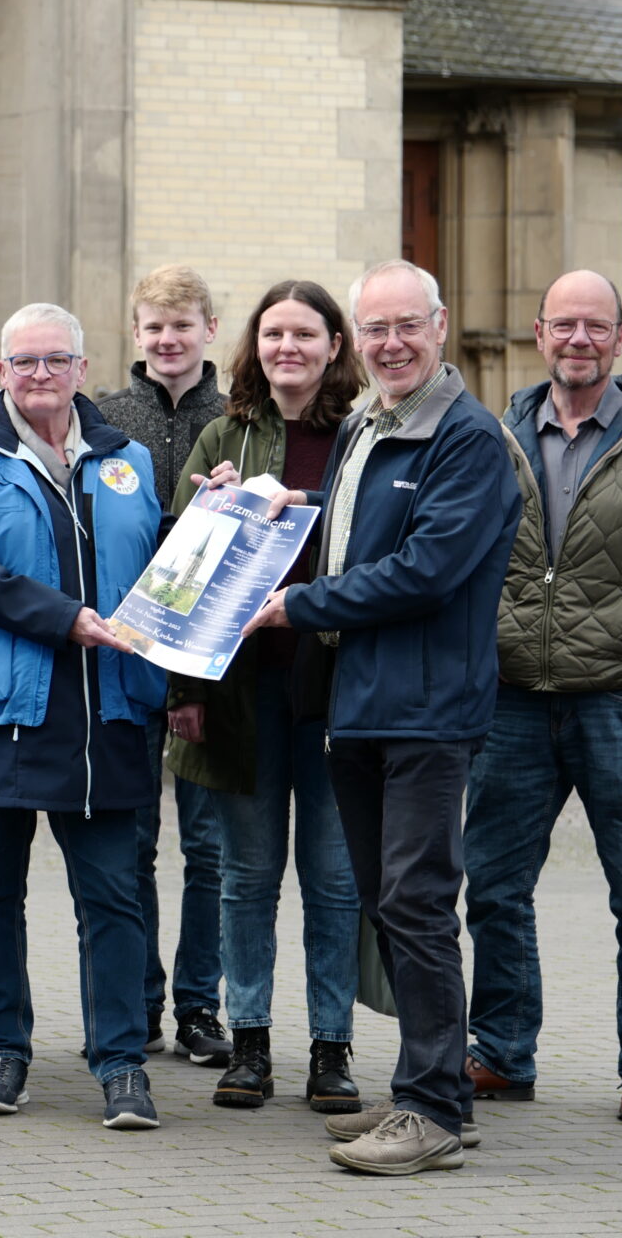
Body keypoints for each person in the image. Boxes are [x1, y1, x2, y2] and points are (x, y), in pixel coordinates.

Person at [234, 259, 519, 1175]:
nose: (390, 343)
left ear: (441, 326)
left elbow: (426, 569)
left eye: (407, 326)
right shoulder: (367, 425)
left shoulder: (467, 439)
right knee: (389, 907)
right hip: (357, 707)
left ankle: (435, 1110)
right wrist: (278, 511)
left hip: (429, 711)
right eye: (375, 329)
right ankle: (418, 1092)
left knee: (420, 903)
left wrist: (299, 604)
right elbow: (361, 533)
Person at [464, 269, 622, 1124]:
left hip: (620, 702)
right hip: (512, 703)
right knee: (494, 889)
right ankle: (501, 1053)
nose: (579, 339)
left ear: (618, 339)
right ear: (540, 333)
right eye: (563, 325)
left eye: (595, 327)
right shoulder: (494, 435)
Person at [0, 302, 171, 1131]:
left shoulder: (127, 460)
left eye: (54, 361)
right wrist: (61, 616)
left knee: (112, 895)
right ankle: (2, 1052)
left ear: (81, 369)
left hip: (110, 705)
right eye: (22, 362)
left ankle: (122, 1064)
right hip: (3, 704)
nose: (38, 376)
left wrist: (221, 515)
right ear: (0, 372)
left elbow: (165, 564)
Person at [165, 280, 365, 1113]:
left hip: (336, 690)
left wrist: (304, 508)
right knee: (245, 876)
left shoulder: (361, 435)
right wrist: (183, 689)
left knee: (334, 879)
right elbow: (176, 571)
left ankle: (330, 1049)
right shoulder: (225, 433)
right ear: (256, 344)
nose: (289, 348)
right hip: (243, 691)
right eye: (275, 333)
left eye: (306, 335)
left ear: (333, 346)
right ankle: (248, 1044)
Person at [95, 263, 231, 1066]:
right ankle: (139, 1003)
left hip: (215, 674)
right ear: (136, 335)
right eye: (154, 327)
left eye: (183, 326)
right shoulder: (105, 419)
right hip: (130, 663)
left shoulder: (238, 416)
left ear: (210, 329)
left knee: (209, 850)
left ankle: (199, 1007)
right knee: (133, 844)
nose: (168, 340)